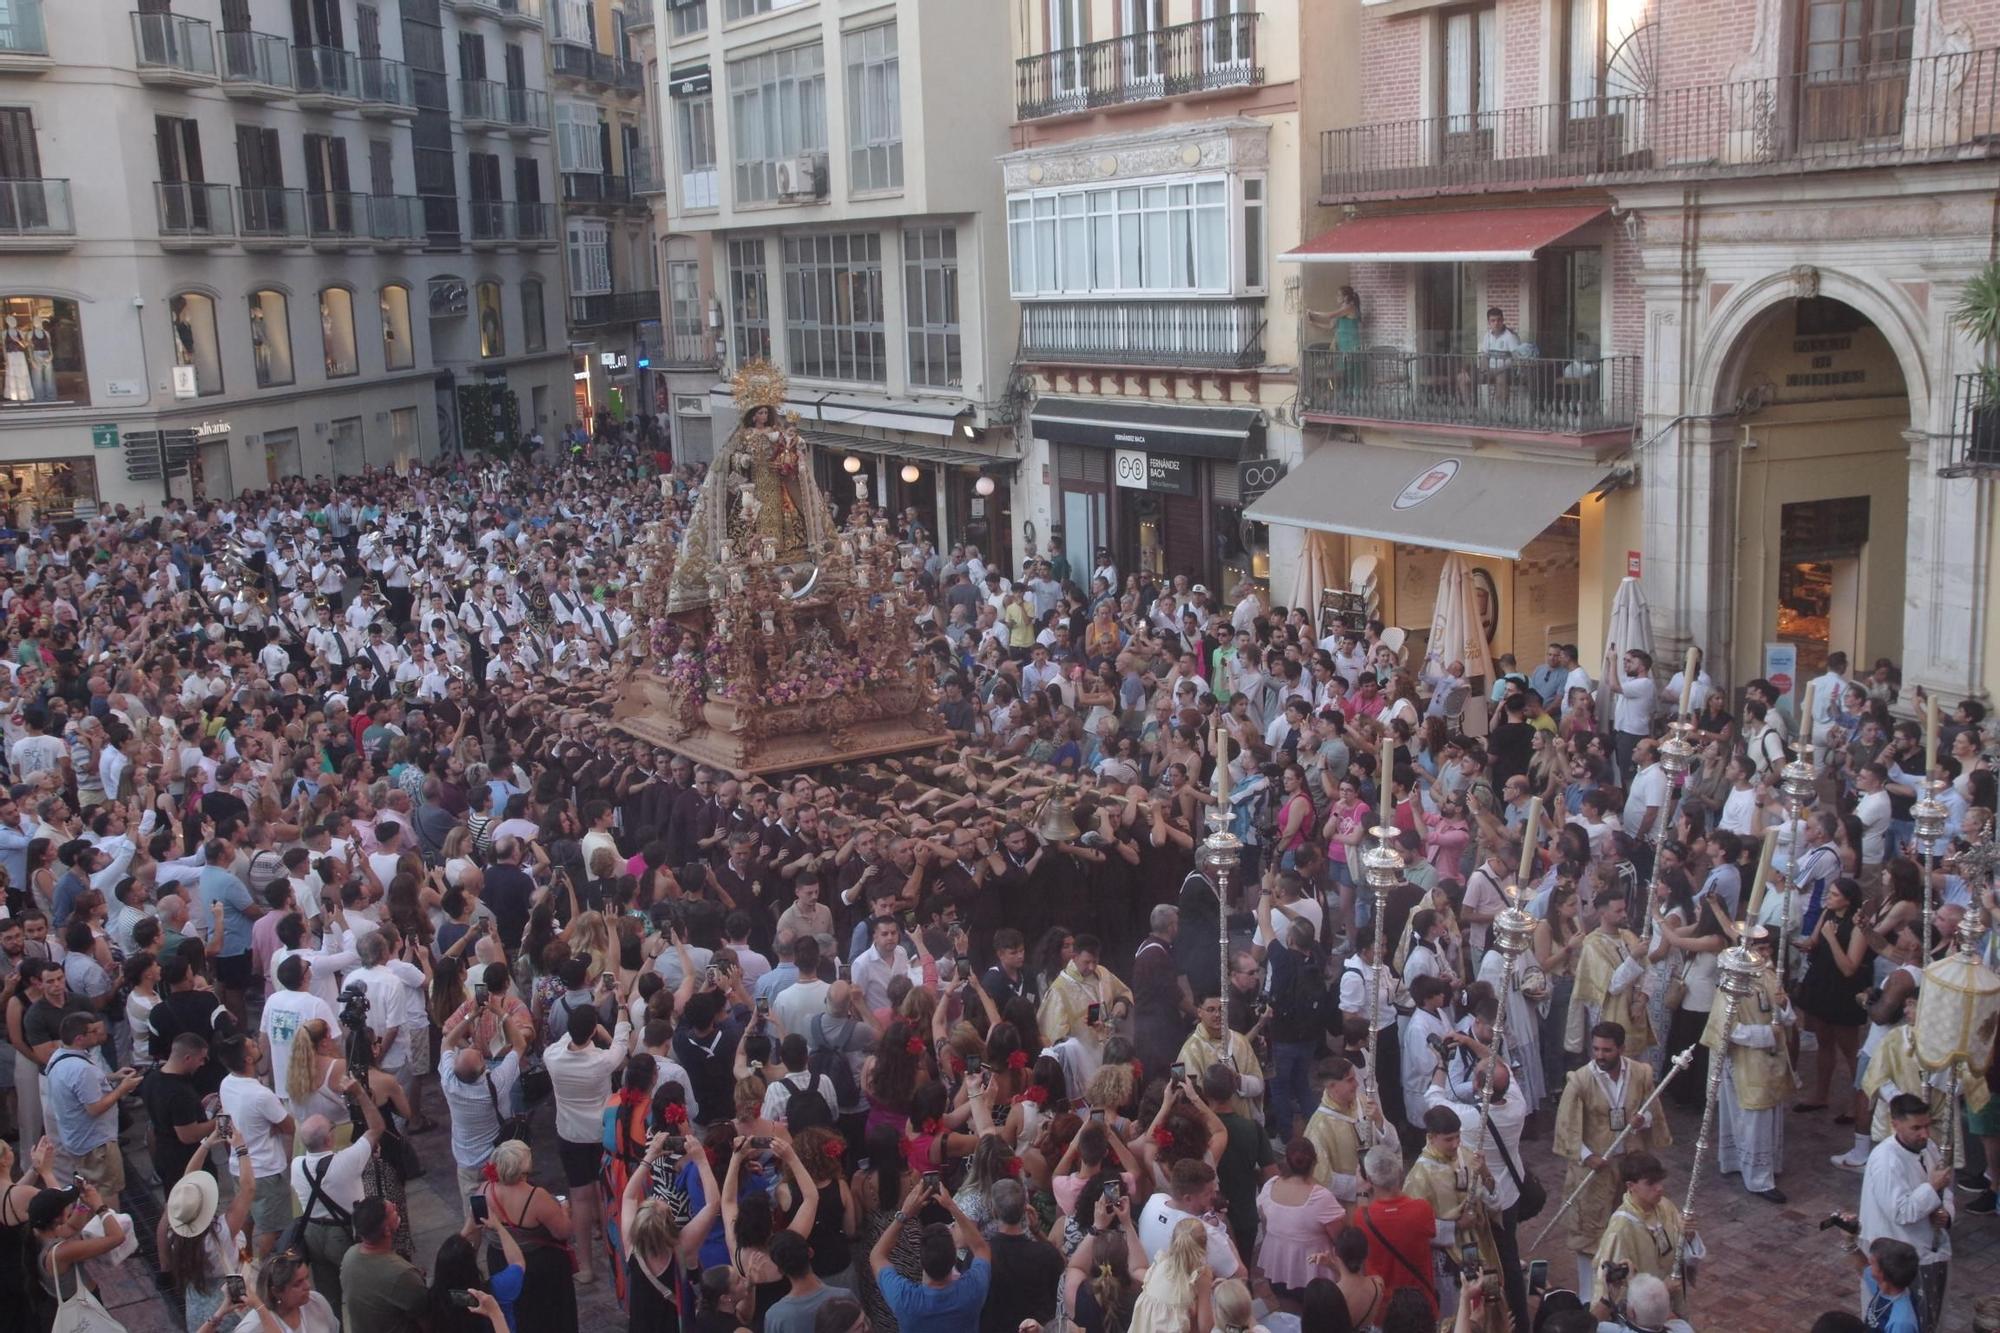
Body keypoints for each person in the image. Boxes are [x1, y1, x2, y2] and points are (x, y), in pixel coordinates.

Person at [1551, 1021, 1669, 1300]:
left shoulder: (1639, 1073)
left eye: (1606, 1050)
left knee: (1629, 1224)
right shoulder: (1580, 1080)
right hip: (1595, 1169)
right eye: (1595, 1049)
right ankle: (1588, 1297)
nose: (1600, 1055)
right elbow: (1567, 1126)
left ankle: (1624, 1291)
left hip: (1629, 1165)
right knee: (1589, 1233)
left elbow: (1652, 1111)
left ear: (1621, 1049)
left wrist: (1642, 1120)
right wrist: (1587, 1156)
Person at [1702, 927, 1793, 1203]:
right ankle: (1758, 1180)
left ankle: (1766, 1166)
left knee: (1767, 1118)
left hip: (1770, 1061)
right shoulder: (1731, 984)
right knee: (1752, 1119)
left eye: (1768, 949)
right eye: (1760, 949)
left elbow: (1787, 1018)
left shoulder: (1769, 976)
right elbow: (1726, 1029)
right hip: (1744, 1061)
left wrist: (1784, 1005)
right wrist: (1767, 1034)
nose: (1766, 954)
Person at [292, 1071, 388, 1318]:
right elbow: (377, 1128)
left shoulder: (297, 1166)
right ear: (329, 1139)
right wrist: (360, 1093)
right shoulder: (346, 1162)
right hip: (342, 1232)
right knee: (360, 1288)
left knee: (328, 1296)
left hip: (312, 1233)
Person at [1861, 1094, 1953, 1333]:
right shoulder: (1885, 1160)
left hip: (1925, 1250)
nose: (1925, 1134)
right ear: (1895, 1124)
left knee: (1928, 1319)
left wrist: (1946, 1213)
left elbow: (1946, 1188)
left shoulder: (1928, 1147)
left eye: (1927, 1126)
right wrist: (1931, 1188)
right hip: (1895, 1259)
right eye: (1916, 1128)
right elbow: (1900, 1212)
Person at [867, 1172, 991, 1327]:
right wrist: (952, 1207)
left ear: (922, 1260)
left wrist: (904, 1214)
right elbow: (981, 1248)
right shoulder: (973, 1290)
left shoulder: (905, 1299)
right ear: (954, 1258)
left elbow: (877, 1256)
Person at [217, 1034, 298, 1256]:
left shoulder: (226, 1083)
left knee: (247, 1217)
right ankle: (265, 1269)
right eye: (252, 1045)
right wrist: (275, 1125)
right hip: (266, 1171)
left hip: (238, 1165)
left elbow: (225, 1121)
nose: (256, 1044)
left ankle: (245, 1259)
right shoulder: (262, 1095)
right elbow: (290, 1126)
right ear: (248, 1059)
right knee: (274, 1229)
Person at [341, 1196, 430, 1333]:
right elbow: (428, 1319)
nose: (395, 1206)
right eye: (392, 1210)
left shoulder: (349, 1255)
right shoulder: (402, 1274)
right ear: (387, 1230)